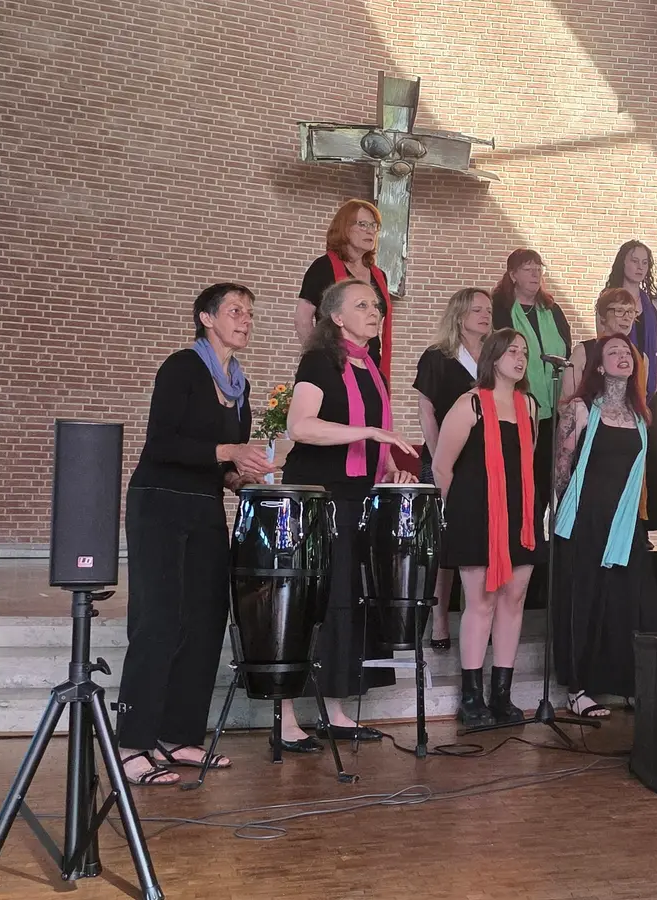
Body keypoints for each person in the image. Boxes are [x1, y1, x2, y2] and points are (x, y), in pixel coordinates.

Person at [115, 284, 274, 786]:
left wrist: (241, 474)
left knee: (207, 620)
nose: (245, 320)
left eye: (249, 313)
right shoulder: (182, 367)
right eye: (234, 311)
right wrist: (230, 452)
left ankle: (179, 737)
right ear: (206, 318)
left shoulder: (240, 386)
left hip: (204, 508)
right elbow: (163, 444)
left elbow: (218, 466)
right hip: (158, 505)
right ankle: (131, 744)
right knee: (158, 620)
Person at [283, 279, 419, 748]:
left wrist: (393, 468)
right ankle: (285, 720)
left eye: (377, 305)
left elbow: (373, 443)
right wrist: (370, 434)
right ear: (336, 317)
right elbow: (300, 426)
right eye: (362, 305)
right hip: (322, 496)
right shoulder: (320, 360)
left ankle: (336, 710)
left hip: (358, 497)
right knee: (311, 601)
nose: (375, 310)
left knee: (346, 601)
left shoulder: (370, 367)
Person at [552, 334, 657, 716]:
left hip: (624, 521)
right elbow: (562, 470)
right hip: (587, 518)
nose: (622, 356)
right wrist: (564, 517)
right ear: (598, 366)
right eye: (612, 352)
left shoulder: (640, 416)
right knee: (584, 599)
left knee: (627, 599)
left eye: (627, 352)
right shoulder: (580, 409)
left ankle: (628, 683)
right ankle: (578, 687)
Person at [432, 329, 540, 728]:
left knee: (514, 601)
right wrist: (454, 515)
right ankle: (471, 696)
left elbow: (525, 461)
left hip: (519, 517)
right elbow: (442, 467)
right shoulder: (469, 404)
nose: (520, 357)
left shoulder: (529, 405)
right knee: (481, 602)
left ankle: (502, 695)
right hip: (475, 514)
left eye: (524, 352)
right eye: (512, 350)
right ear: (493, 357)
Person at [414, 288, 491, 650]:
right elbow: (426, 411)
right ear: (459, 315)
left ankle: (479, 617)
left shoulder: (495, 358)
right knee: (446, 542)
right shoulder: (437, 357)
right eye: (477, 309)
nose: (485, 315)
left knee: (484, 540)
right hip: (445, 458)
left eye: (489, 310)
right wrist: (436, 456)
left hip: (486, 462)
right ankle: (441, 617)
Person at [492, 248, 572, 537]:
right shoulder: (500, 308)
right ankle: (519, 536)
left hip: (553, 407)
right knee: (523, 479)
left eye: (539, 268)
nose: (536, 273)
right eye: (528, 268)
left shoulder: (551, 309)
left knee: (548, 477)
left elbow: (567, 351)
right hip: (518, 405)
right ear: (512, 274)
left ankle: (542, 542)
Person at [605, 240, 657, 531]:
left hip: (651, 389)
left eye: (645, 262)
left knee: (651, 452)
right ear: (623, 263)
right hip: (619, 390)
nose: (640, 267)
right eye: (634, 261)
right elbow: (604, 344)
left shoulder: (654, 304)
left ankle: (645, 525)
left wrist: (652, 385)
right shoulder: (609, 299)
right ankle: (622, 522)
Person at [296, 199, 394, 376]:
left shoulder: (379, 276)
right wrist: (318, 357)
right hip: (334, 362)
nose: (370, 230)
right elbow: (302, 319)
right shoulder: (322, 267)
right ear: (344, 228)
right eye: (362, 224)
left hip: (369, 362)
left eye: (374, 225)